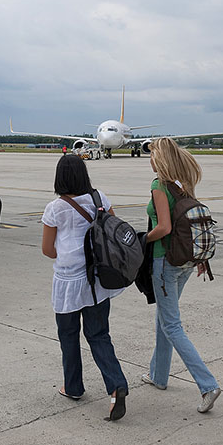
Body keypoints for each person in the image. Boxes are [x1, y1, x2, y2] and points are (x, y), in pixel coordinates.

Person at [41, 154, 129, 421]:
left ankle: (74, 386)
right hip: (98, 280)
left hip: (68, 281)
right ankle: (116, 386)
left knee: (68, 335)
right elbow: (114, 230)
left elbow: (47, 250)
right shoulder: (99, 198)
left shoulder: (55, 208)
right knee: (99, 334)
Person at [142, 137, 221, 413]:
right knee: (164, 319)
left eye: (151, 155)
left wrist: (143, 240)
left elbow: (163, 228)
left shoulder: (159, 186)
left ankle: (207, 384)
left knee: (172, 325)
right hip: (186, 261)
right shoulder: (183, 183)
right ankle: (159, 376)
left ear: (159, 159)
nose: (149, 159)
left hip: (165, 261)